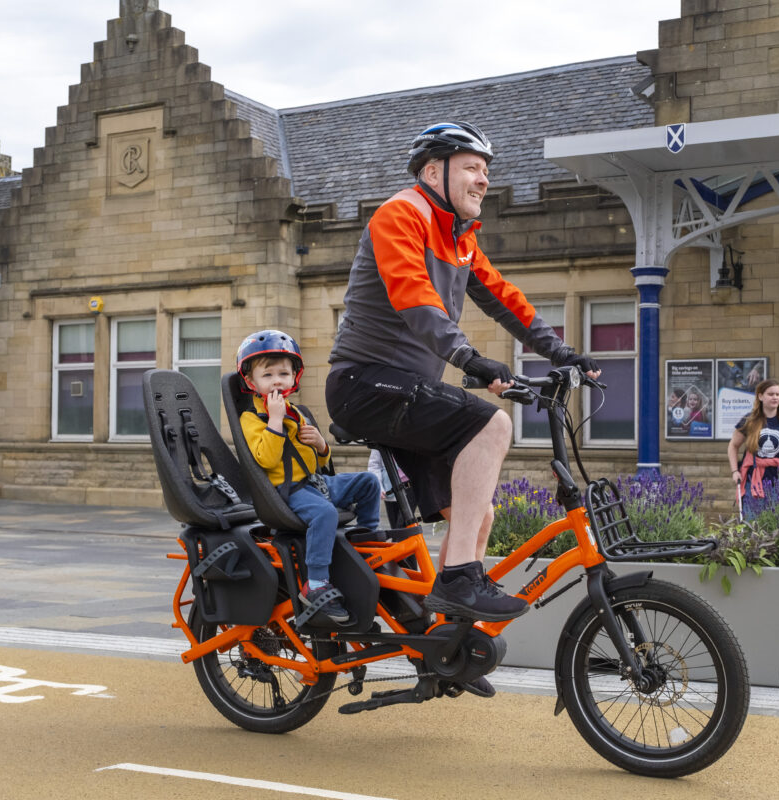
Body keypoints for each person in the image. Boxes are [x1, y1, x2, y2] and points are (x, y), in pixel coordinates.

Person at [325, 121, 600, 625]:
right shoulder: (400, 214)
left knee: (478, 514)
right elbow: (415, 299)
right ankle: (458, 581)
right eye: (473, 167)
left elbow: (505, 300)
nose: (483, 180)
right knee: (493, 424)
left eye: (486, 171)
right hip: (363, 383)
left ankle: (446, 639)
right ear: (434, 171)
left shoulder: (461, 239)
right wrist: (470, 359)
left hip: (407, 393)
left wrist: (561, 351)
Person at [236, 329, 382, 626]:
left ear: (294, 377)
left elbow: (318, 463)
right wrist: (274, 421)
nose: (277, 380)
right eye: (268, 375)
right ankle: (315, 584)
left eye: (283, 373)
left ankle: (367, 545)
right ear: (251, 382)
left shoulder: (296, 412)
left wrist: (321, 445)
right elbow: (265, 459)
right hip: (287, 491)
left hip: (316, 483)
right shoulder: (252, 419)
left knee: (369, 482)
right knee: (325, 514)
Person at [726, 379, 779, 518]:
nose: (775, 397)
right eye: (771, 394)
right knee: (752, 521)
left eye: (778, 394)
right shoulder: (749, 420)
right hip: (753, 476)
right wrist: (734, 471)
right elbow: (733, 445)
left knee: (776, 523)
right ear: (760, 396)